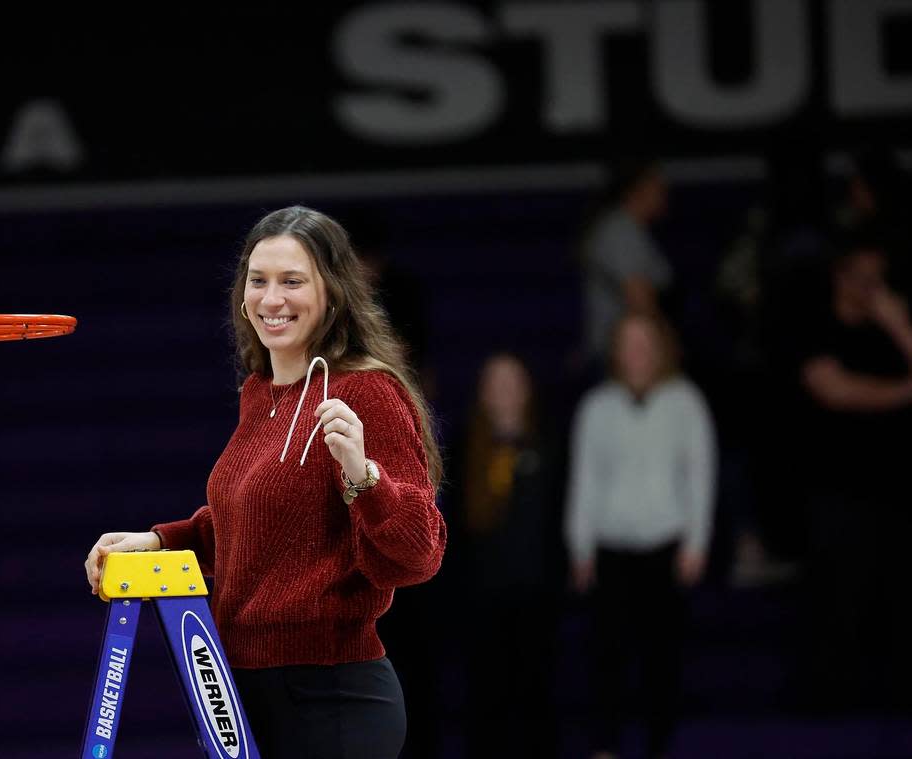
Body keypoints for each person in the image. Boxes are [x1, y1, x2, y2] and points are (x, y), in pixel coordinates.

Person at [84, 206, 447, 759]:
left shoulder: (367, 392)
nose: (271, 299)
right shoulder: (259, 392)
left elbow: (417, 555)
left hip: (333, 697)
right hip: (242, 694)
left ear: (333, 292)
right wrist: (157, 540)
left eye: (292, 281)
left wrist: (363, 474)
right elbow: (254, 524)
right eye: (259, 281)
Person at [566, 313, 717, 759]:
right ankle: (606, 746)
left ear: (660, 347)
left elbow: (700, 476)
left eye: (644, 343)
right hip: (612, 549)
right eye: (627, 343)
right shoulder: (597, 406)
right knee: (606, 657)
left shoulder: (686, 402)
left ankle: (659, 745)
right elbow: (585, 480)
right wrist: (580, 545)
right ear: (615, 350)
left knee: (662, 659)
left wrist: (697, 542)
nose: (636, 353)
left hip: (665, 547)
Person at [795, 230, 912, 711]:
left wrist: (900, 325)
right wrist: (906, 392)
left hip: (894, 490)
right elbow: (835, 390)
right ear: (839, 276)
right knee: (837, 598)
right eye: (861, 278)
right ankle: (829, 705)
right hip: (833, 491)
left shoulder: (892, 332)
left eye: (878, 280)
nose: (870, 289)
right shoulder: (816, 326)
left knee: (898, 599)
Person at [449, 351, 564, 758]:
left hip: (536, 591)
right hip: (483, 595)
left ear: (527, 390)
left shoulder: (550, 443)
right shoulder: (464, 450)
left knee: (536, 693)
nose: (505, 392)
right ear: (482, 393)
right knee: (486, 696)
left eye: (513, 382)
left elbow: (559, 518)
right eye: (495, 383)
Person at [579, 158, 674, 366]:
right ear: (638, 188)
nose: (664, 191)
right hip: (624, 356)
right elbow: (639, 298)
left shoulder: (634, 230)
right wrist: (667, 349)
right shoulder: (621, 231)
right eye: (657, 184)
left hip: (630, 353)